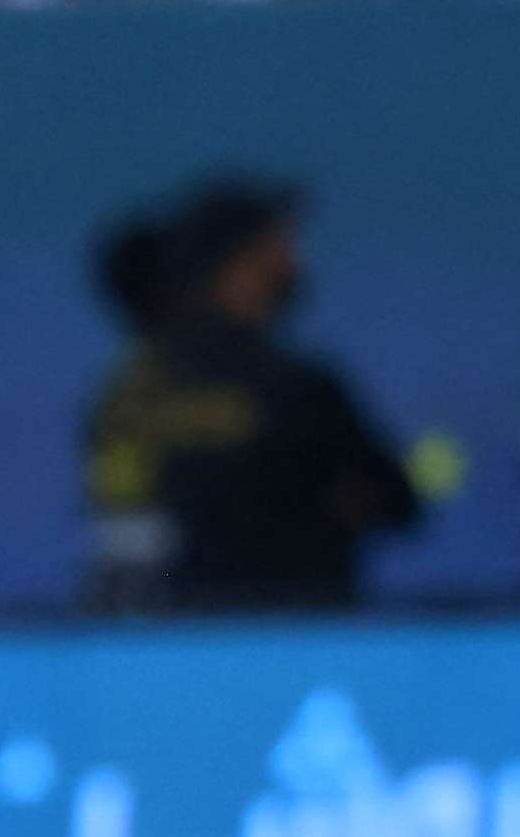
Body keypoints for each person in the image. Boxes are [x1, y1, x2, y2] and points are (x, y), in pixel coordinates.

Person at [77, 178, 423, 610]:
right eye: (278, 248)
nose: (294, 262)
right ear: (236, 265)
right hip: (270, 645)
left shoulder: (126, 391)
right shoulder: (289, 387)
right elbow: (395, 500)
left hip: (132, 643)